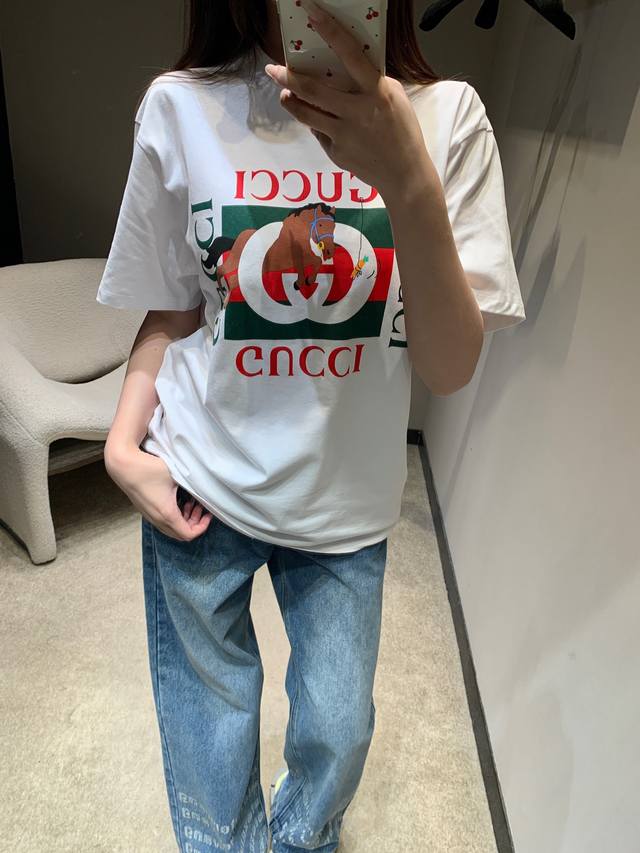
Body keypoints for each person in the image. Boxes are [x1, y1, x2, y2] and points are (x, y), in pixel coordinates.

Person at [96, 0, 526, 850]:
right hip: (200, 480)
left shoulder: (448, 119)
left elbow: (448, 367)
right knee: (210, 734)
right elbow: (174, 311)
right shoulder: (181, 106)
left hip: (346, 505)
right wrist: (119, 445)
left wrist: (406, 177)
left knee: (339, 726)